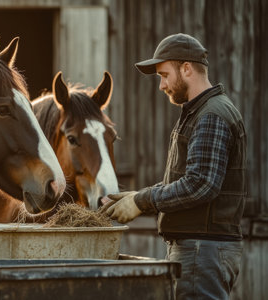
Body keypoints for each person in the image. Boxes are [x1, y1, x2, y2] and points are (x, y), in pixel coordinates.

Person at [103, 33, 247, 299]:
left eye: (164, 75)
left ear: (186, 68)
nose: (161, 85)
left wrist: (142, 202)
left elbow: (201, 184)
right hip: (200, 249)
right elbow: (190, 179)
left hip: (202, 250)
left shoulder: (211, 115)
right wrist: (136, 196)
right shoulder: (200, 112)